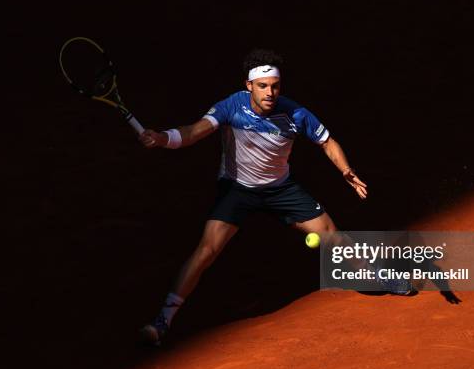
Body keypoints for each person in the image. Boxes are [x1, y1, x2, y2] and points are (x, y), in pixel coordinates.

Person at [138, 49, 368, 346]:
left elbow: (328, 142)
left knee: (331, 235)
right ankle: (163, 321)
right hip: (238, 189)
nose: (270, 92)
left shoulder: (294, 113)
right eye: (262, 86)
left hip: (280, 189)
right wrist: (161, 138)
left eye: (275, 85)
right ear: (249, 85)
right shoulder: (230, 107)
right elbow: (193, 132)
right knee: (207, 250)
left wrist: (346, 170)